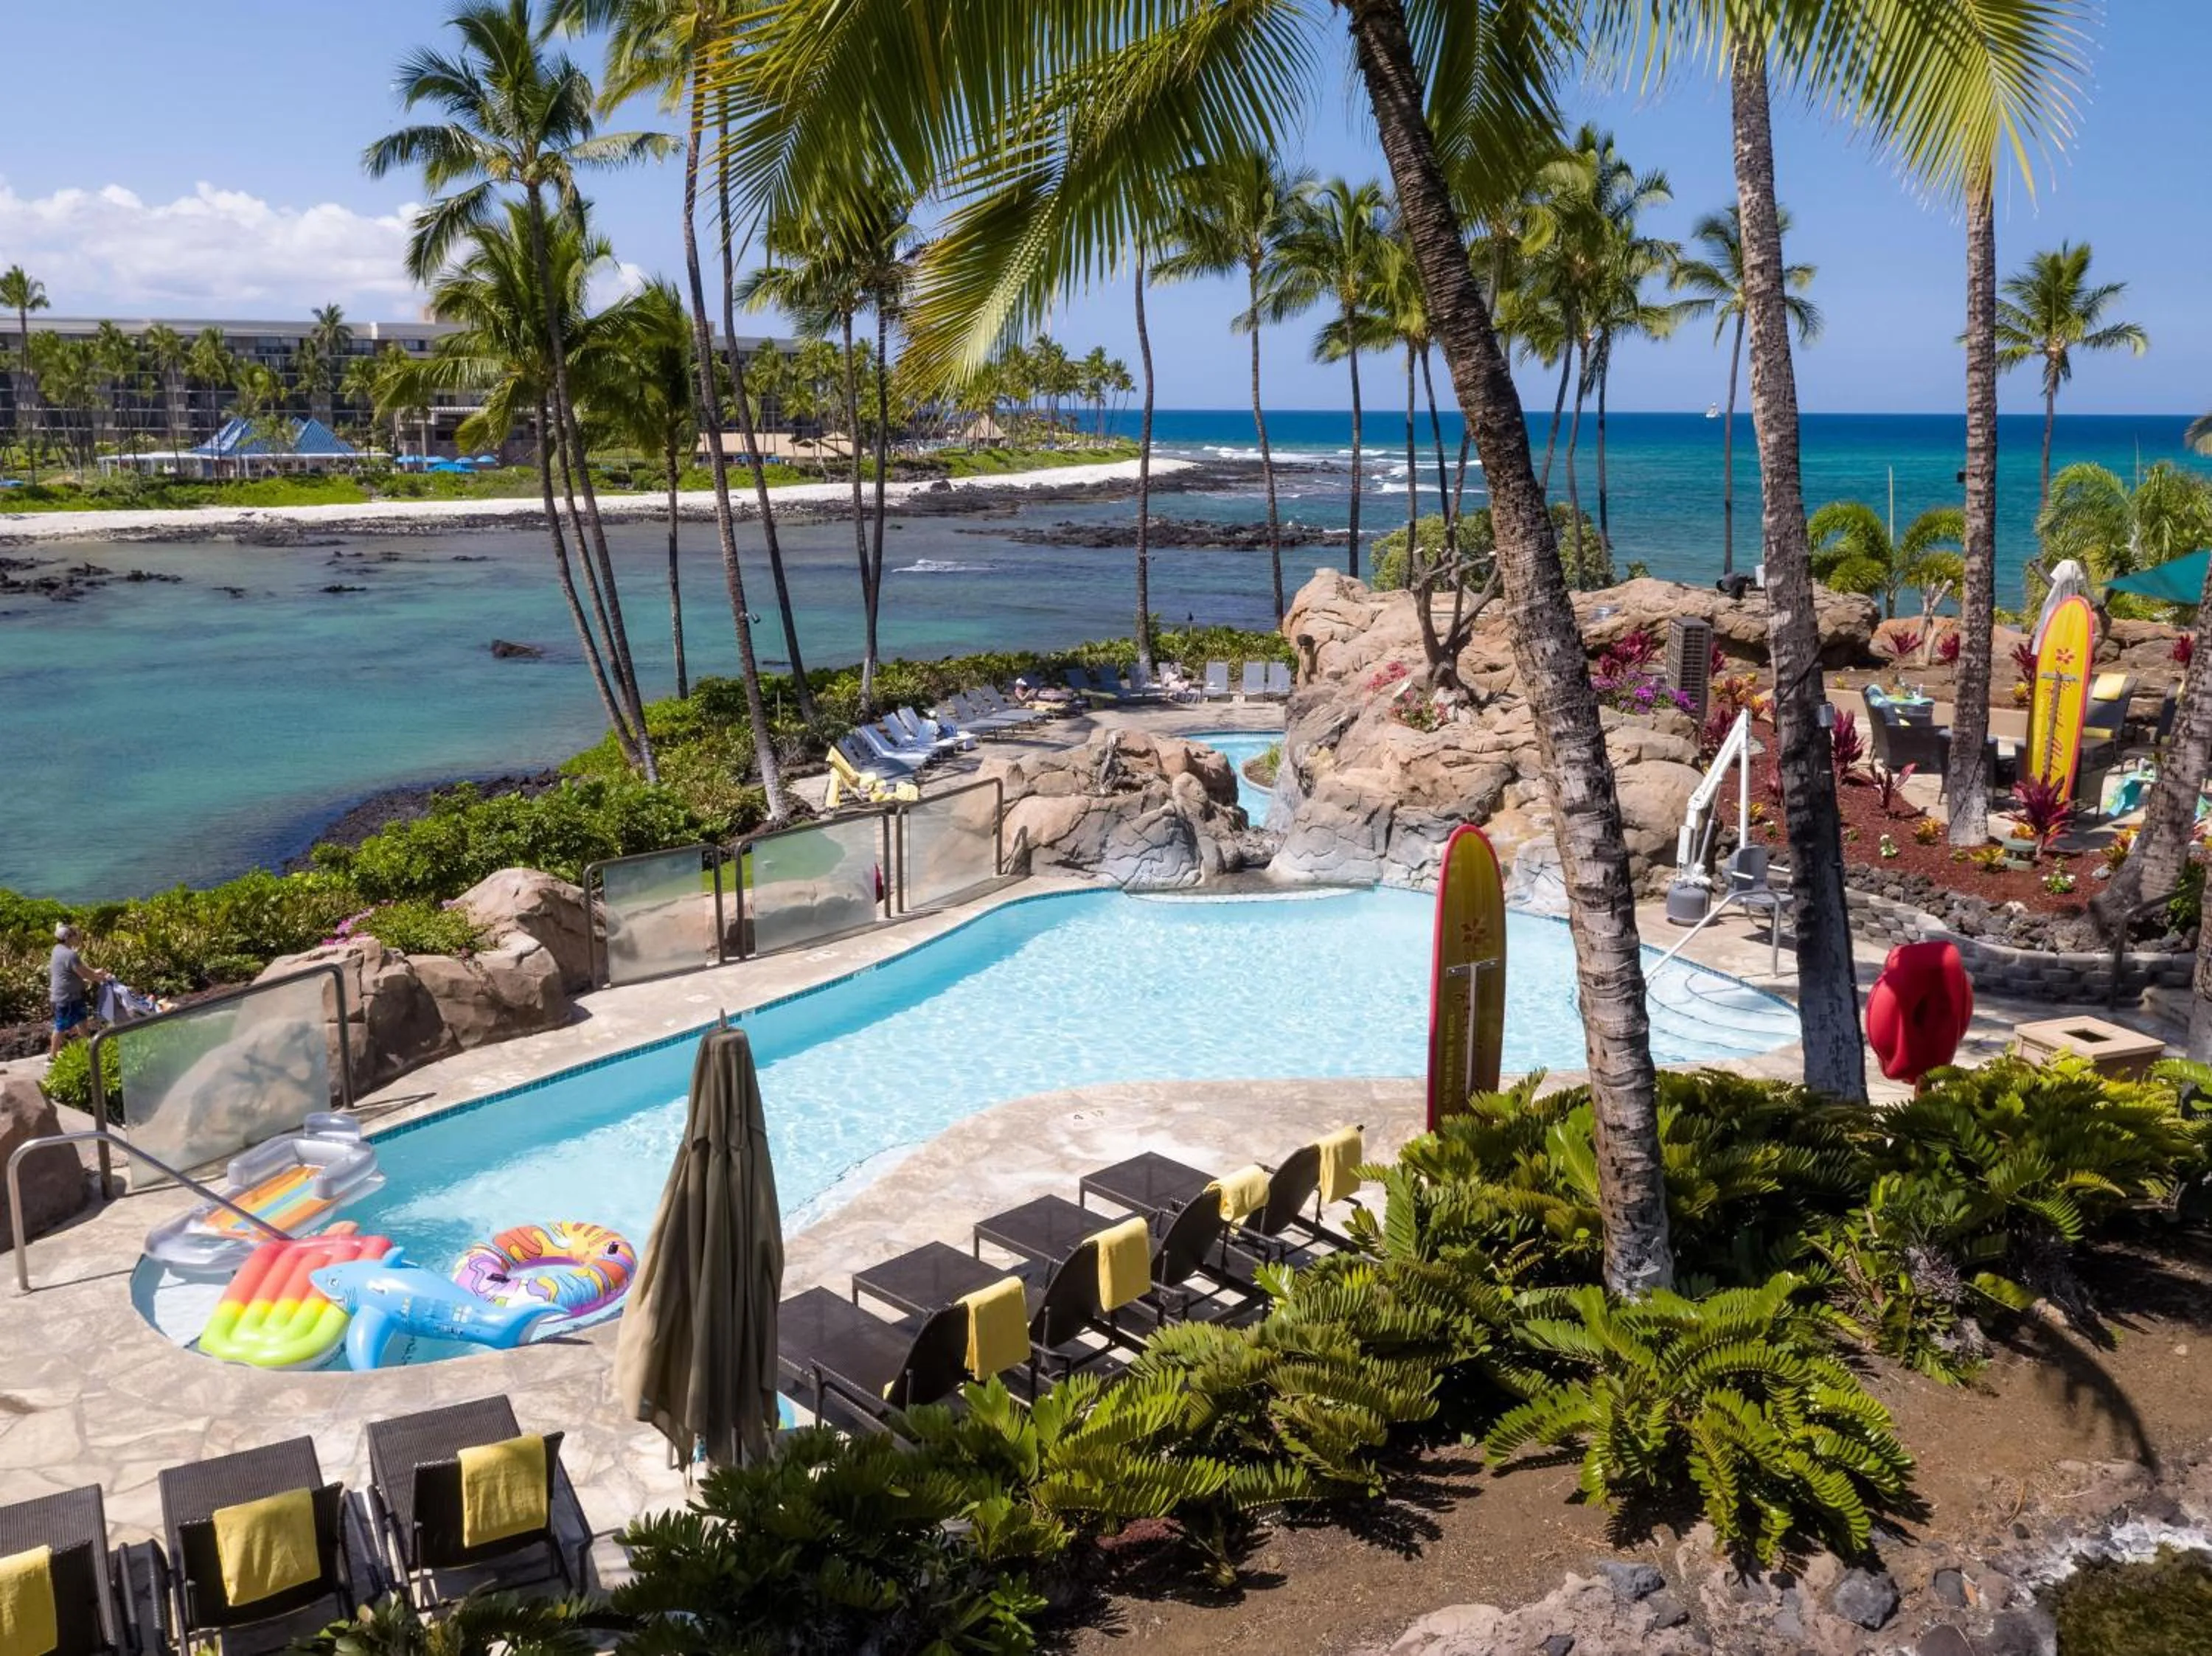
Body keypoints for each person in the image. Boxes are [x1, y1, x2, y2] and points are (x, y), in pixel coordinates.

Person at [49, 922, 109, 1057]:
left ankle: (90, 1051)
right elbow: (83, 974)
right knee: (61, 1027)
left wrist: (95, 972)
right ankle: (52, 1056)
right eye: (76, 935)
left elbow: (81, 968)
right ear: (68, 937)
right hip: (66, 998)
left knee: (82, 1022)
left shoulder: (57, 949)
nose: (78, 937)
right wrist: (100, 978)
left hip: (72, 996)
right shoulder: (70, 955)